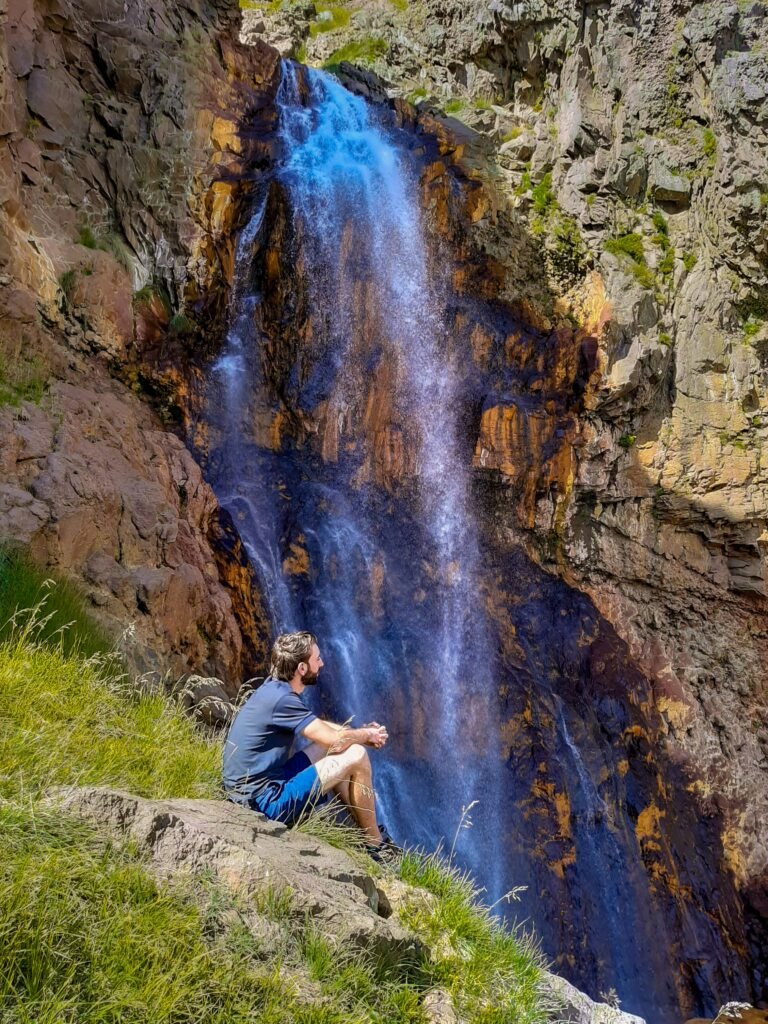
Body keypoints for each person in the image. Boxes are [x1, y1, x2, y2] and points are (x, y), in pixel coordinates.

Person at [223, 630, 399, 859]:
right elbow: (334, 738)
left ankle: (366, 836)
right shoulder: (283, 699)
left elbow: (321, 729)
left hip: (254, 788)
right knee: (356, 754)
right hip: (261, 803)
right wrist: (364, 737)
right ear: (302, 669)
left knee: (337, 747)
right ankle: (376, 846)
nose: (322, 663)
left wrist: (362, 732)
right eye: (317, 659)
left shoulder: (273, 689)